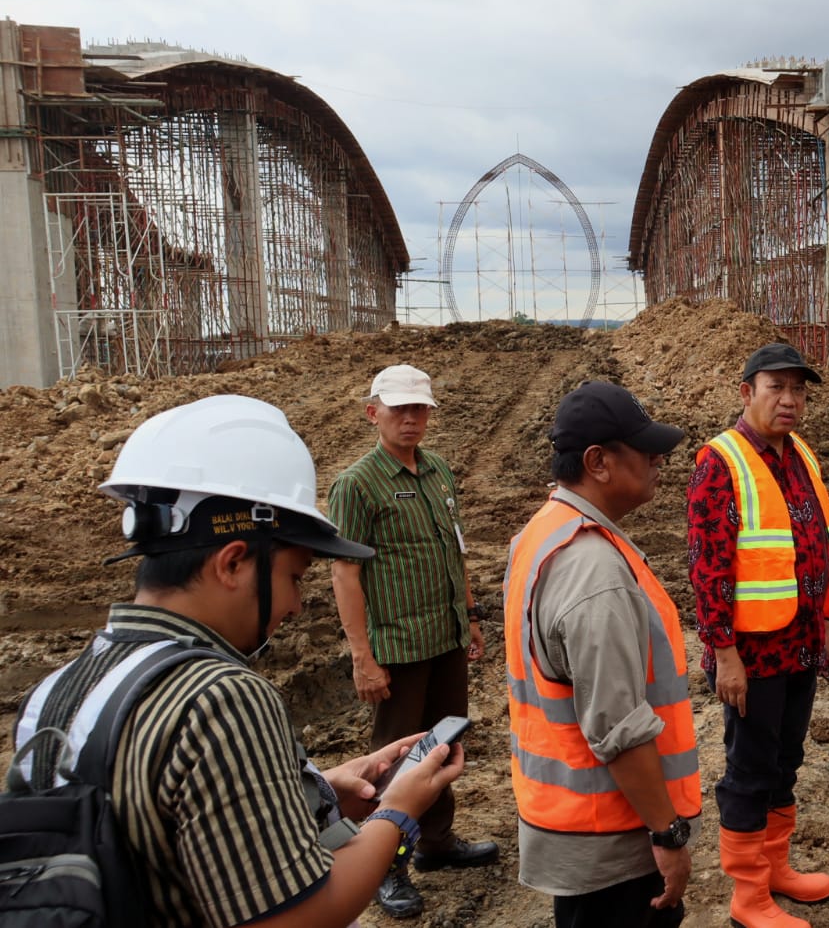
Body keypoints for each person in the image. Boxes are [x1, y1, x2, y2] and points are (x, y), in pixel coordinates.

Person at [10, 394, 464, 927]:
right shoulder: (221, 698)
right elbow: (295, 916)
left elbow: (154, 837)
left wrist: (312, 791)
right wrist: (399, 813)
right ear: (233, 563)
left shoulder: (56, 691)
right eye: (293, 578)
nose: (295, 605)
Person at [504, 381, 700, 927]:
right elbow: (619, 726)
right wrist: (668, 832)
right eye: (645, 450)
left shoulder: (541, 534)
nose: (660, 459)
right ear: (598, 462)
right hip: (613, 841)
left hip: (576, 824)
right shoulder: (594, 570)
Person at [327, 364, 498, 918]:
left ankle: (436, 843)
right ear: (372, 411)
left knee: (444, 744)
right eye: (399, 408)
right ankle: (383, 865)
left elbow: (455, 551)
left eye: (419, 409)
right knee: (396, 762)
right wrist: (362, 655)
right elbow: (344, 575)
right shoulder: (356, 484)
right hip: (397, 648)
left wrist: (469, 616)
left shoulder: (439, 472)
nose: (410, 418)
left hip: (444, 637)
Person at [687, 342, 829, 928]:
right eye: (777, 387)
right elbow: (708, 568)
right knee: (749, 769)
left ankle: (776, 869)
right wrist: (724, 655)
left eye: (798, 389)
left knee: (786, 759)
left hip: (799, 641)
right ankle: (748, 896)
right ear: (746, 391)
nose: (790, 400)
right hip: (749, 653)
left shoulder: (800, 453)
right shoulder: (719, 462)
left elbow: (818, 544)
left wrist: (823, 626)